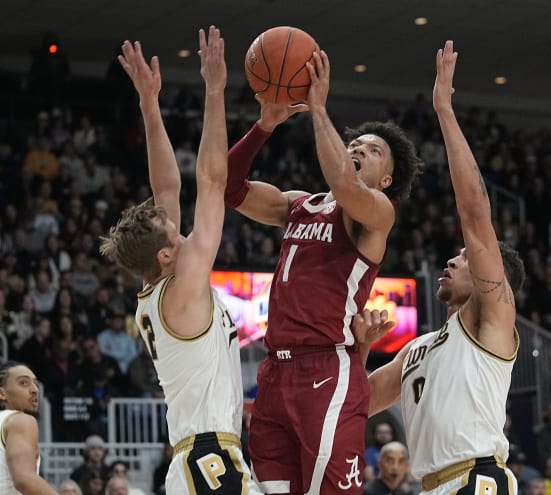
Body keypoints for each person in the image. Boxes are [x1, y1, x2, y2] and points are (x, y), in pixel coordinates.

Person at [226, 47, 422, 495]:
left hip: (326, 369)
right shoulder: (301, 205)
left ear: (387, 179)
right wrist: (264, 126)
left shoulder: (377, 212)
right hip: (274, 373)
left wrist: (318, 108)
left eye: (373, 151)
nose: (359, 149)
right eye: (356, 144)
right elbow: (230, 188)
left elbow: (344, 185)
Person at [99, 27, 257, 495]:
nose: (181, 228)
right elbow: (210, 183)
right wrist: (214, 90)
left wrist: (150, 105)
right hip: (209, 459)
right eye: (174, 231)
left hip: (200, 459)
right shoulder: (184, 286)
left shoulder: (160, 286)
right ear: (167, 255)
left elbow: (168, 187)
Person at [364, 40, 526, 495]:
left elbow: (475, 214)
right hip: (432, 485)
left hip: (478, 480)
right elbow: (359, 402)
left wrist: (444, 111)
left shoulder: (491, 320)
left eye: (464, 258)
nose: (452, 260)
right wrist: (359, 348)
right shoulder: (417, 348)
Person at [0, 360, 59, 494]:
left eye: (36, 384)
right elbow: (24, 479)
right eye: (23, 383)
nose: (35, 390)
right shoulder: (21, 420)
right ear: (2, 393)